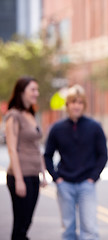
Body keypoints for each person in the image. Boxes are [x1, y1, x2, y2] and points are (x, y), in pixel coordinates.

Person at [44, 84, 108, 240]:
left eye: (80, 102)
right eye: (73, 102)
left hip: (87, 184)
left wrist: (93, 177)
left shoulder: (94, 127)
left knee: (90, 229)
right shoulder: (57, 128)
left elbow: (103, 155)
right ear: (67, 105)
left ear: (84, 105)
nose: (76, 106)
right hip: (65, 184)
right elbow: (47, 155)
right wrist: (56, 178)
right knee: (68, 229)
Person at [5, 76, 47, 240]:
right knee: (20, 223)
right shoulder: (14, 116)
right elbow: (12, 149)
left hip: (33, 175)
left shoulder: (31, 114)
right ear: (22, 92)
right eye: (33, 90)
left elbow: (37, 146)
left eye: (37, 89)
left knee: (27, 221)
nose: (36, 93)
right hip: (20, 176)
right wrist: (19, 180)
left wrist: (43, 172)